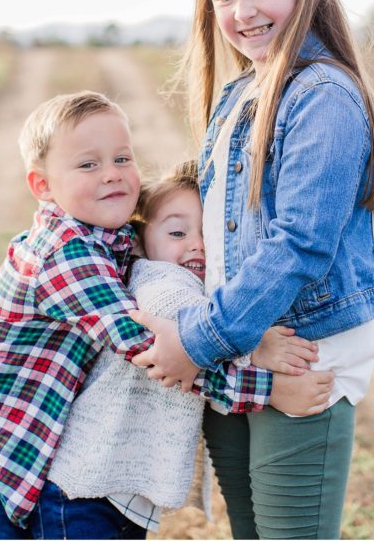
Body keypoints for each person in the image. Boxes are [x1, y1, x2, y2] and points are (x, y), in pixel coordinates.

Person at [0, 91, 316, 539]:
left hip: (24, 451)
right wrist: (266, 388)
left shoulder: (114, 238)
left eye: (122, 158)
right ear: (43, 186)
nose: (111, 175)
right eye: (88, 164)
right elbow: (157, 355)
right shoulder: (65, 255)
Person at [130, 0, 374, 539]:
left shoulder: (322, 97)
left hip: (301, 356)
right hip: (244, 352)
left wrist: (197, 341)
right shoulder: (241, 93)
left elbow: (299, 244)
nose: (242, 12)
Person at [48, 160, 330, 534]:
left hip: (108, 488)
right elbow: (181, 322)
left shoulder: (193, 287)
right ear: (139, 240)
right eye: (178, 233)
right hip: (87, 487)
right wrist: (253, 347)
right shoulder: (156, 281)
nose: (197, 244)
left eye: (209, 235)